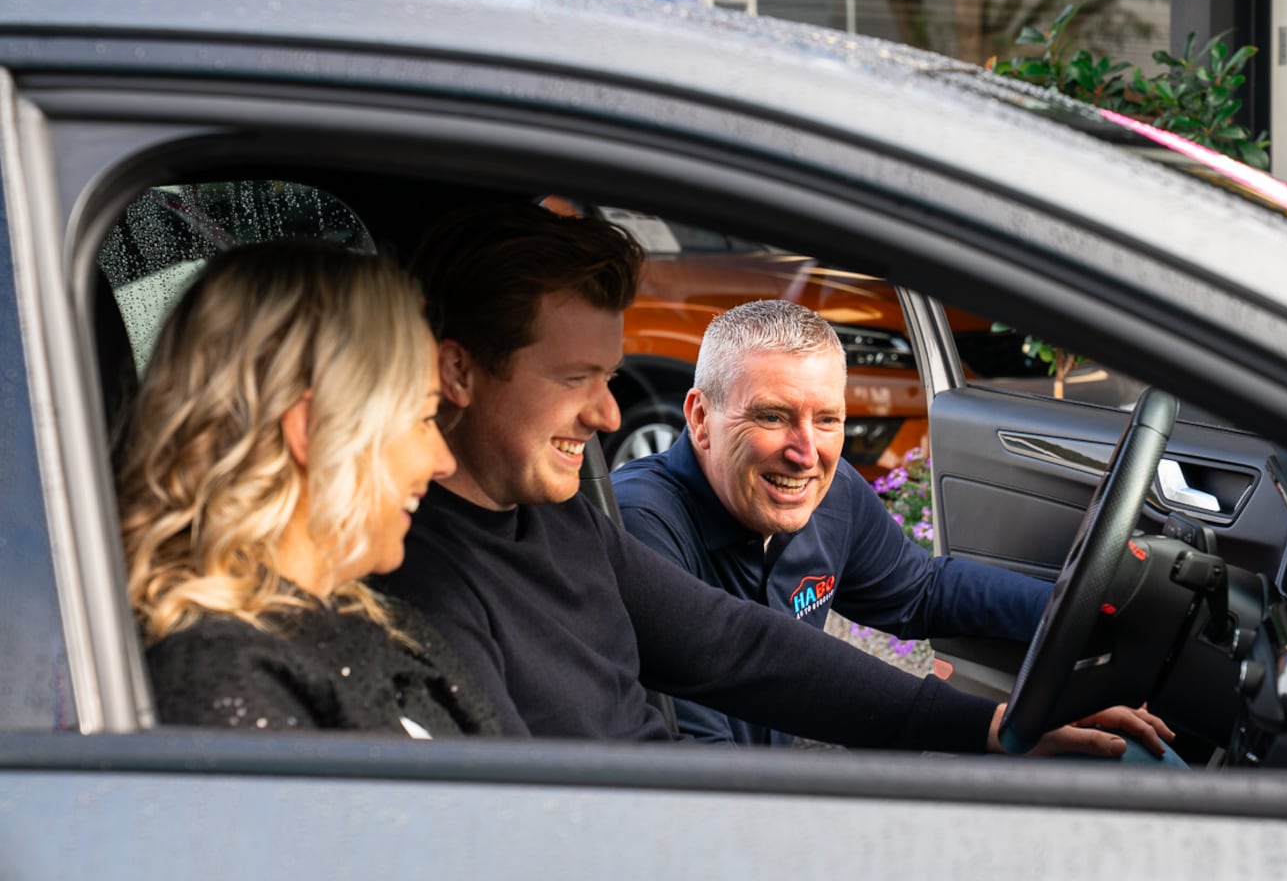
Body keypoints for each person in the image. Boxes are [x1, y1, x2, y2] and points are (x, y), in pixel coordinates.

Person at [375, 203, 1166, 757]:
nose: (608, 414)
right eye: (574, 377)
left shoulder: (555, 520)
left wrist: (989, 728)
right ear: (458, 372)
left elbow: (737, 647)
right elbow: (523, 816)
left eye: (608, 378)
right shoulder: (426, 586)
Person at [610, 298, 1172, 758]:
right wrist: (993, 728)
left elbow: (923, 592)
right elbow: (704, 759)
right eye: (772, 416)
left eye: (827, 419)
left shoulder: (826, 493)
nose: (806, 453)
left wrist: (1087, 621)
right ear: (700, 418)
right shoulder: (641, 525)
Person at [119, 241, 500, 738]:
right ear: (311, 429)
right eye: (425, 418)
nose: (444, 461)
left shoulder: (381, 622)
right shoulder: (217, 676)